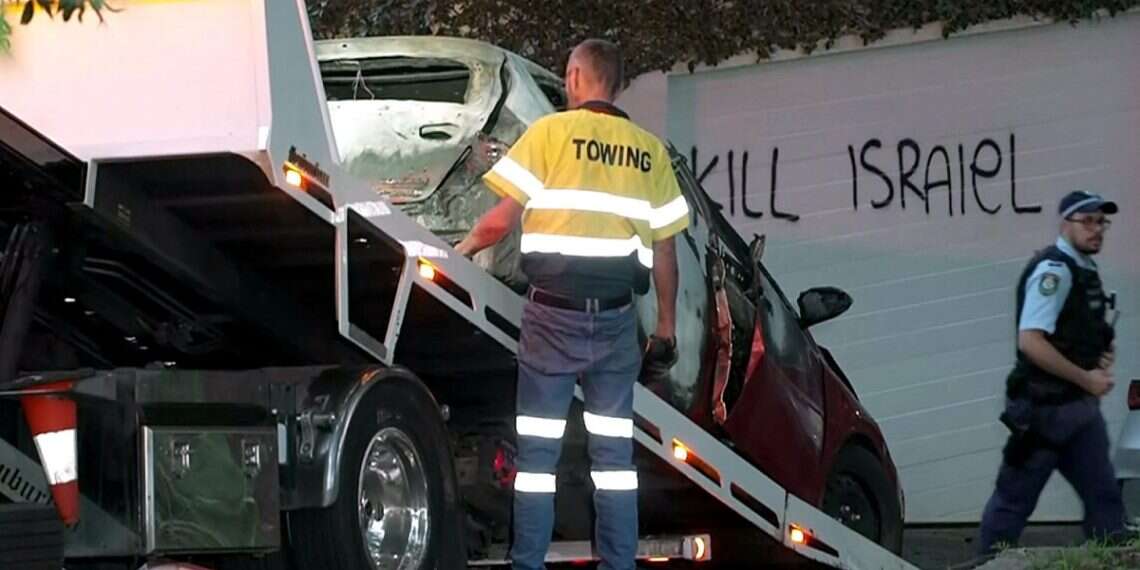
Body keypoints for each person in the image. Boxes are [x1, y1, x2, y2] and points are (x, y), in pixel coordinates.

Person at [455, 38, 688, 570]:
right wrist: (666, 328)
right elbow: (665, 252)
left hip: (551, 321)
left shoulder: (549, 134)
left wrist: (458, 251)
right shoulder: (650, 152)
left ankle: (529, 564)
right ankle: (619, 564)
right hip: (615, 323)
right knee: (614, 463)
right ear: (617, 85)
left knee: (538, 462)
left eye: (567, 76)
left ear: (577, 77)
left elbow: (499, 222)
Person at [977, 190, 1126, 555]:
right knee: (1012, 503)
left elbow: (1074, 332)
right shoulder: (1054, 272)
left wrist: (1099, 355)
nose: (1097, 229)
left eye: (1101, 222)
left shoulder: (1084, 269)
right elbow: (1030, 341)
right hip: (1043, 412)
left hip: (1079, 413)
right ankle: (987, 564)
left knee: (1105, 499)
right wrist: (1087, 378)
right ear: (1065, 224)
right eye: (1087, 221)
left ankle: (1111, 557)